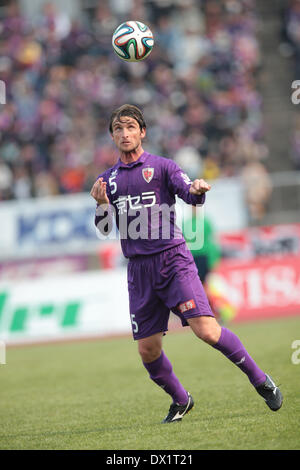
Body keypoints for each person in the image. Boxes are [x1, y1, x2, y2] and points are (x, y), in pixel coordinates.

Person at [90, 104, 283, 423]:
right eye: (118, 129)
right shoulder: (106, 181)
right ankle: (181, 400)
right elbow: (105, 230)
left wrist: (196, 189)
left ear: (142, 132)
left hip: (172, 260)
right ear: (112, 135)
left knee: (206, 330)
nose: (124, 134)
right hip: (139, 270)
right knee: (147, 351)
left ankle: (261, 380)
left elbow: (188, 191)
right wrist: (100, 205)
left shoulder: (163, 167)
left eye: (130, 127)